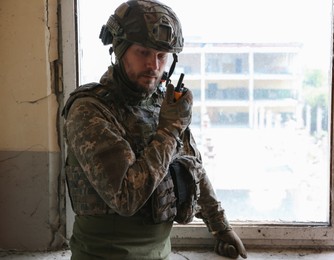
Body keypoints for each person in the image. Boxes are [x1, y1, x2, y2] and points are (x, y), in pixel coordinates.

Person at [62, 0, 247, 259]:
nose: (153, 65)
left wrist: (219, 226)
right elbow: (125, 197)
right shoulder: (89, 110)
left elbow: (191, 164)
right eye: (143, 52)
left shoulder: (163, 105)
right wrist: (170, 129)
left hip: (160, 254)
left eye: (161, 56)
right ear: (119, 50)